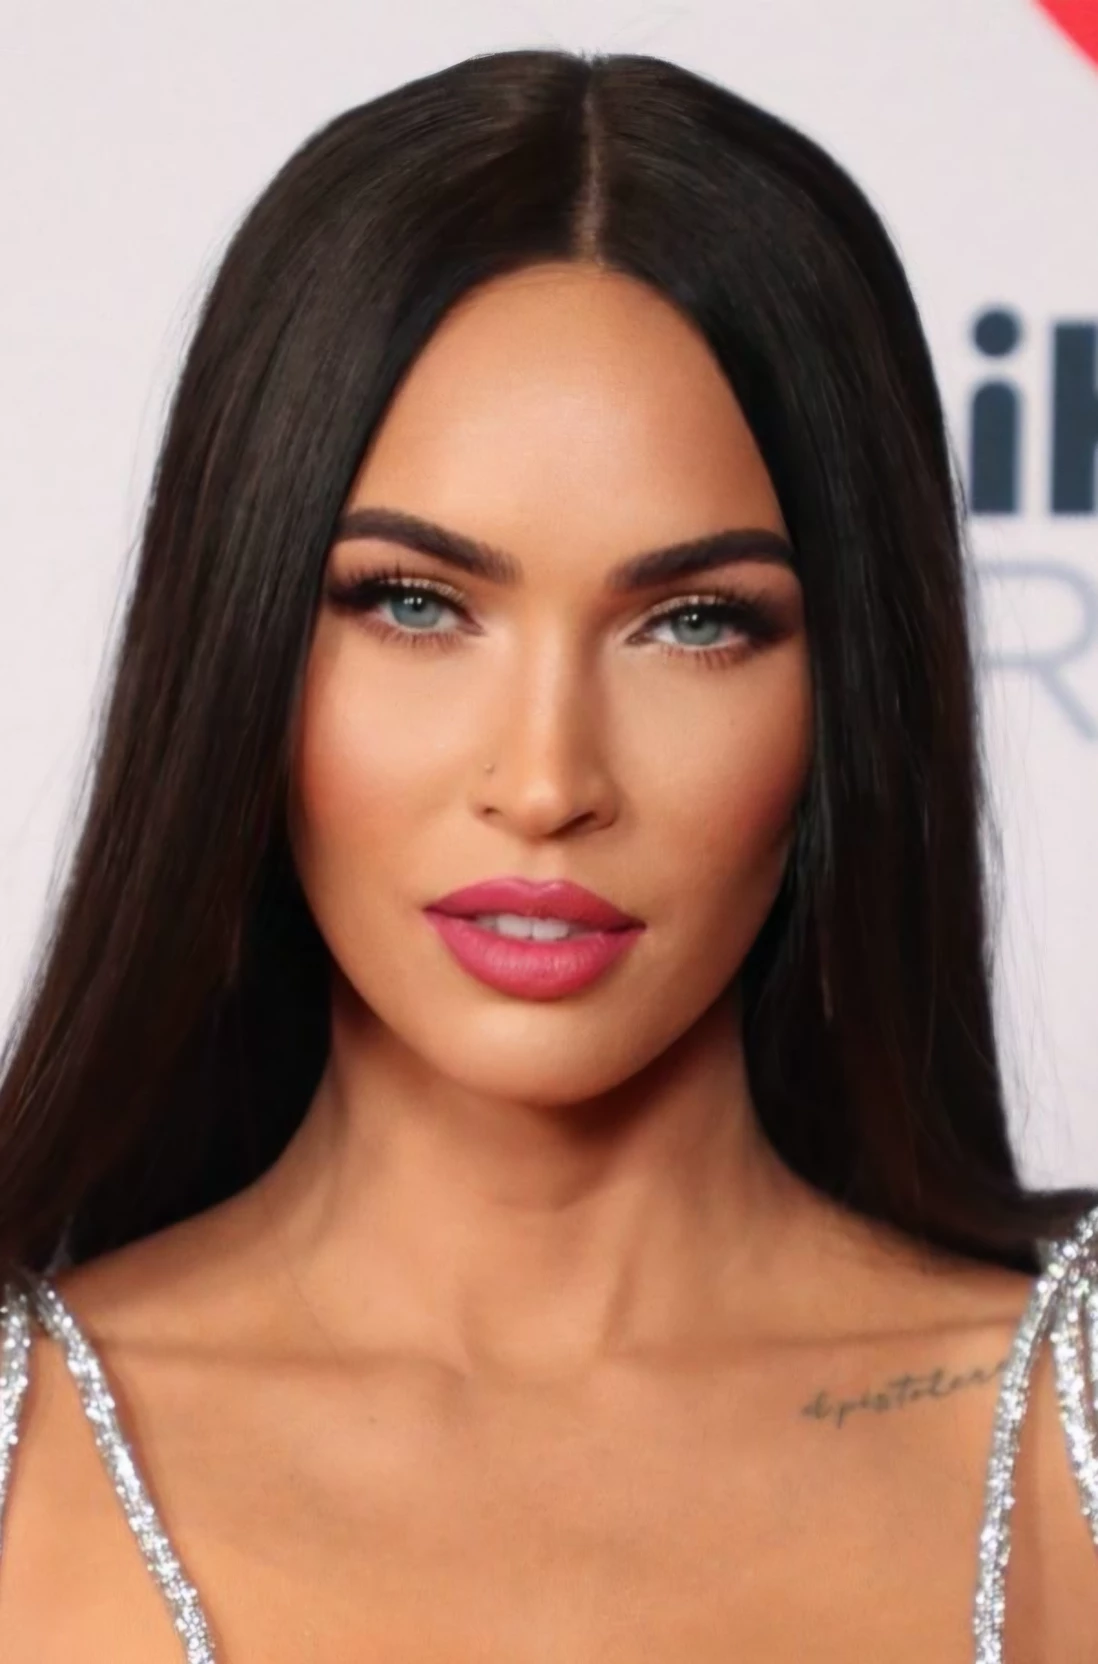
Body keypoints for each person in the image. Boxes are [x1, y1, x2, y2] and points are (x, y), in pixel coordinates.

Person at [0, 45, 1093, 1663]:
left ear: (847, 692)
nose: (544, 781)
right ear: (241, 645)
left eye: (694, 622)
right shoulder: (22, 1444)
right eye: (413, 604)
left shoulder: (1067, 1416)